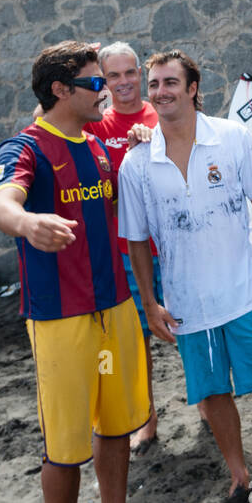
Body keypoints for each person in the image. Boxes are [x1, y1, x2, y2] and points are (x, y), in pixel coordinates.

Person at [119, 50, 252, 503]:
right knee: (212, 394)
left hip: (244, 294)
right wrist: (150, 303)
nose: (161, 92)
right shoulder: (135, 165)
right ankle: (238, 474)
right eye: (154, 85)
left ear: (193, 88)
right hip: (187, 306)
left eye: (170, 83)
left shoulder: (232, 137)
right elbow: (136, 241)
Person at [0, 41, 149, 503]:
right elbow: (2, 202)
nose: (106, 92)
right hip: (61, 319)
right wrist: (26, 221)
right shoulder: (26, 147)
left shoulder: (99, 145)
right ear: (61, 90)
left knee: (117, 424)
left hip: (116, 307)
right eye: (95, 83)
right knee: (63, 446)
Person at [82, 41, 164, 455]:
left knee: (187, 325)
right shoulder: (95, 124)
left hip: (171, 245)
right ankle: (147, 418)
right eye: (112, 75)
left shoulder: (163, 110)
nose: (124, 82)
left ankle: (206, 405)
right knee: (138, 341)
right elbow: (42, 117)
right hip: (127, 252)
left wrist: (154, 147)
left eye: (129, 72)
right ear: (102, 81)